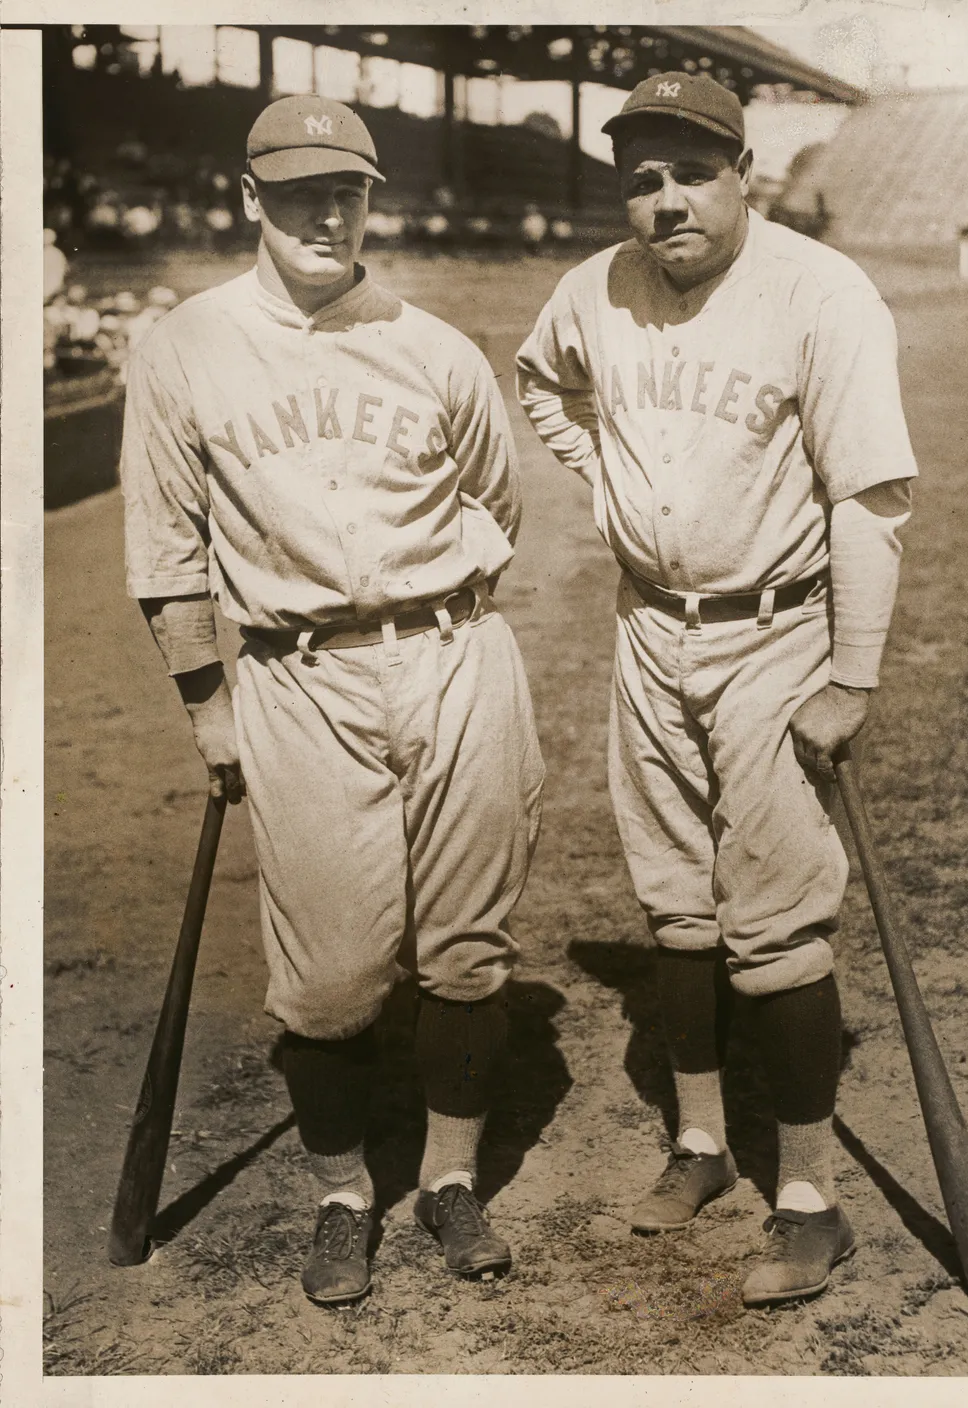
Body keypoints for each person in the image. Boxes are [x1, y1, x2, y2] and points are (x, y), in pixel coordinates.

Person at [121, 95, 544, 1305]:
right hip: (296, 675)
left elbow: (494, 509)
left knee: (466, 949)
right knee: (330, 978)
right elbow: (165, 545)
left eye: (345, 189)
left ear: (371, 198)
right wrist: (210, 705)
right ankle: (344, 1192)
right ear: (247, 196)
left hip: (455, 652)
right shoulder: (185, 344)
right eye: (297, 188)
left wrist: (426, 619)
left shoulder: (434, 344)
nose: (324, 211)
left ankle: (451, 1182)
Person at [516, 72, 916, 1306]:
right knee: (676, 907)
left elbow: (870, 497)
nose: (666, 201)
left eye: (692, 172)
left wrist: (850, 674)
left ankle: (807, 1200)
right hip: (649, 633)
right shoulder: (592, 287)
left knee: (778, 921)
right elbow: (542, 384)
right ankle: (697, 1144)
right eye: (640, 179)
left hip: (776, 634)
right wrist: (608, 479)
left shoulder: (819, 291)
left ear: (743, 171)